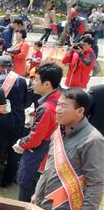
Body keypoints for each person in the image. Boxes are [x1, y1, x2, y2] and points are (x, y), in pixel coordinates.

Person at [14, 62, 62, 202]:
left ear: (47, 84)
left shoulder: (46, 108)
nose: (33, 82)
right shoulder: (59, 98)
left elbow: (35, 139)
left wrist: (20, 143)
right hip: (48, 157)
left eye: (36, 79)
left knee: (26, 199)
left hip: (37, 158)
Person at [0, 54, 28, 188]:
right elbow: (24, 101)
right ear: (11, 66)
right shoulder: (22, 80)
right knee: (14, 151)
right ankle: (7, 181)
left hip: (1, 121)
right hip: (18, 120)